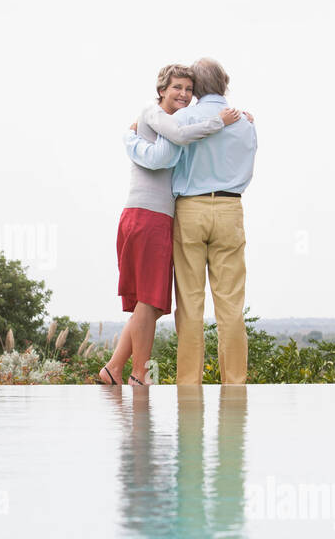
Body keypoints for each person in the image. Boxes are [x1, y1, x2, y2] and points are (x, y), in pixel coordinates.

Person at [98, 64, 241, 388]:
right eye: (177, 87)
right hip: (147, 216)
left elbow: (170, 144)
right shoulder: (155, 115)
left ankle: (113, 369)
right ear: (162, 89)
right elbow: (166, 152)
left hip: (158, 217)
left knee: (152, 304)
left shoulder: (170, 120)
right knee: (148, 301)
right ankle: (139, 375)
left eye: (189, 90)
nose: (184, 94)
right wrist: (221, 120)